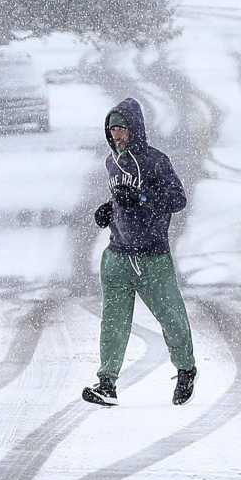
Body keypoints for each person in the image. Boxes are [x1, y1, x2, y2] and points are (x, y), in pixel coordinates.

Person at [85, 97, 197, 407]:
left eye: (120, 129)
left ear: (135, 129)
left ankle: (186, 369)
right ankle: (107, 383)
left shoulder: (157, 161)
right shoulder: (112, 163)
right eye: (111, 131)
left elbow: (177, 200)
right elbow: (122, 199)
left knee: (171, 319)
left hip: (152, 258)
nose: (116, 136)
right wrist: (110, 211)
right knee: (113, 322)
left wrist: (144, 198)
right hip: (118, 255)